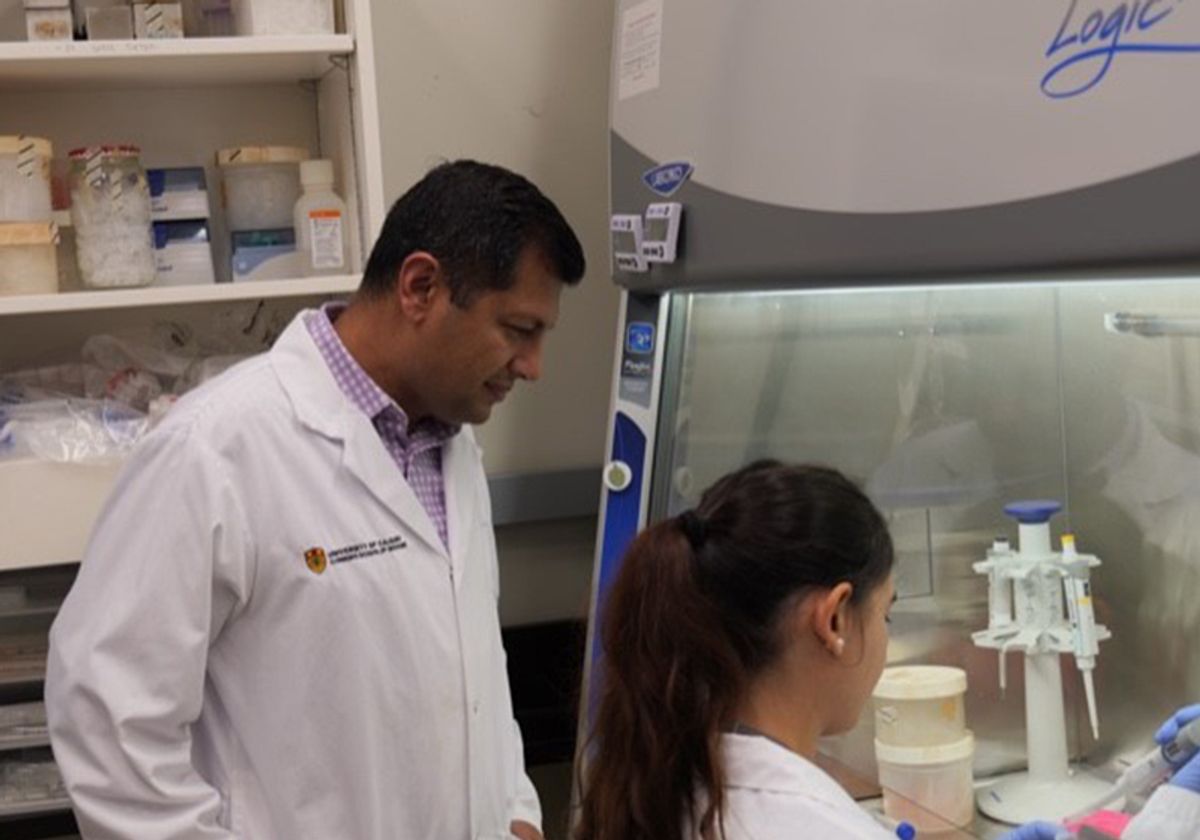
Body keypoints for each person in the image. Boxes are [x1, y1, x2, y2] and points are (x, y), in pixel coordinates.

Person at [45, 160, 586, 840]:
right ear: (420, 287)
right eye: (518, 329)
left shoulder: (452, 449)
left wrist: (513, 810)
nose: (534, 366)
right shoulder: (214, 451)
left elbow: (474, 675)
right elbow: (107, 724)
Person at [572, 460, 1200, 840]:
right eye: (888, 612)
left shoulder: (671, 771)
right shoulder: (802, 819)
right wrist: (1174, 817)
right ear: (835, 619)